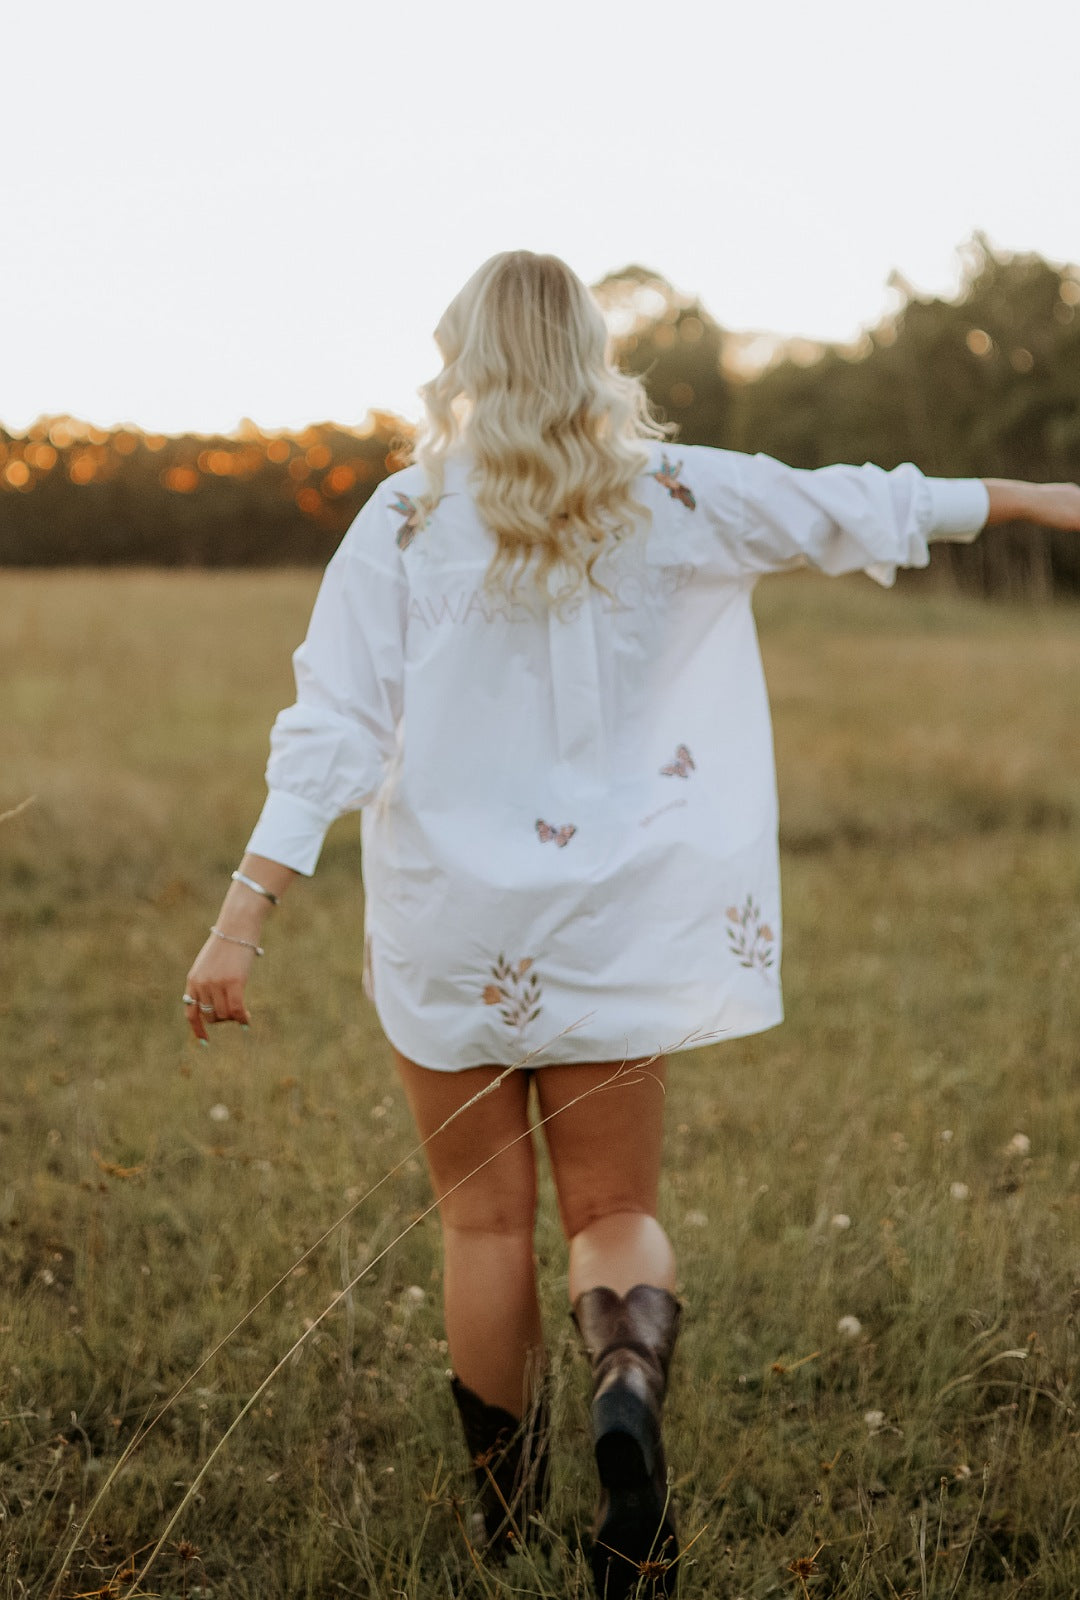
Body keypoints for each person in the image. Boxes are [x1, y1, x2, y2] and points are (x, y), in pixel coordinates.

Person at [182, 250, 1080, 1599]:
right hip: (618, 919)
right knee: (614, 1207)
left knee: (483, 1224)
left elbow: (332, 729)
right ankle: (626, 1387)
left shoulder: (408, 517)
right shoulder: (677, 492)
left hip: (451, 927)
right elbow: (865, 506)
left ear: (463, 359)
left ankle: (503, 1529)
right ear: (592, 355)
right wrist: (1046, 498)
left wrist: (243, 916)